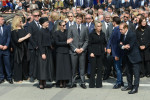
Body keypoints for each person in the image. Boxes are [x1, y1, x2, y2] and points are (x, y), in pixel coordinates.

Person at [68, 13, 89, 89]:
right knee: (73, 68)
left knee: (82, 67)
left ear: (82, 20)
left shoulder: (85, 28)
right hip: (74, 51)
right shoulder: (71, 27)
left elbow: (87, 40)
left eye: (80, 19)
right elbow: (69, 40)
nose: (79, 20)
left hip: (82, 51)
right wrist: (75, 49)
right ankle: (72, 82)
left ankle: (83, 82)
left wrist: (82, 49)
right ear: (75, 19)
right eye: (77, 19)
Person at [119, 23, 141, 94]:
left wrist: (123, 46)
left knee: (136, 73)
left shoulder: (131, 34)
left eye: (121, 29)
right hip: (127, 56)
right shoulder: (122, 34)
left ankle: (135, 88)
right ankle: (129, 85)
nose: (120, 31)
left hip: (134, 57)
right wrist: (123, 46)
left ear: (126, 28)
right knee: (128, 72)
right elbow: (120, 43)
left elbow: (130, 47)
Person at [35, 17, 54, 89]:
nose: (48, 23)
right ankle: (41, 82)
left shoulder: (48, 30)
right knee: (42, 67)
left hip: (48, 50)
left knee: (46, 67)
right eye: (46, 22)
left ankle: (45, 80)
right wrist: (42, 53)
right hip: (42, 50)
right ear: (43, 23)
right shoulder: (40, 31)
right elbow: (39, 43)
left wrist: (51, 45)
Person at [11, 16, 31, 83]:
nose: (21, 22)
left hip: (24, 48)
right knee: (18, 63)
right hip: (18, 49)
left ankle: (25, 76)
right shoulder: (14, 31)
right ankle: (18, 78)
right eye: (20, 21)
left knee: (25, 62)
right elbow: (17, 40)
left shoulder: (23, 29)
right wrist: (26, 37)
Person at [107, 16, 124, 89]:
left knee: (117, 68)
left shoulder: (117, 30)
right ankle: (121, 81)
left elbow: (118, 43)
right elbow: (110, 39)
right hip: (114, 51)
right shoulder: (115, 29)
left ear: (114, 22)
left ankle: (119, 82)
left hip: (117, 52)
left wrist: (117, 54)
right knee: (118, 67)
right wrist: (108, 47)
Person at [88, 21, 106, 88]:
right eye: (98, 26)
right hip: (93, 53)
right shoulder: (91, 34)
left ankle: (99, 84)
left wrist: (105, 48)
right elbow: (89, 44)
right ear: (95, 27)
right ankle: (92, 84)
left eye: (100, 26)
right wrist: (91, 52)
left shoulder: (103, 34)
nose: (99, 27)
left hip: (101, 53)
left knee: (99, 69)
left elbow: (104, 42)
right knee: (93, 69)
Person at [55, 21, 73, 88]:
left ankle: (65, 80)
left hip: (66, 51)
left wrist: (68, 42)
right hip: (59, 51)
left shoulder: (67, 31)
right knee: (60, 67)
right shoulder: (56, 33)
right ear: (60, 26)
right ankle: (60, 81)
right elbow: (57, 42)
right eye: (63, 25)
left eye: (65, 25)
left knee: (66, 67)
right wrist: (66, 42)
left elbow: (70, 39)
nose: (64, 26)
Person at [28, 10, 41, 82]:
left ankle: (38, 74)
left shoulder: (40, 24)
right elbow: (30, 36)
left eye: (38, 15)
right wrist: (35, 45)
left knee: (39, 61)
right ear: (32, 16)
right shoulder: (31, 25)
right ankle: (32, 75)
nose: (37, 17)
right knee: (32, 61)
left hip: (40, 46)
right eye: (35, 16)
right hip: (33, 47)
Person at [0, 15, 13, 84]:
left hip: (6, 49)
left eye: (3, 19)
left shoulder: (7, 27)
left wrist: (6, 45)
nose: (3, 21)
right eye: (1, 19)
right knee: (0, 65)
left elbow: (9, 37)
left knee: (7, 64)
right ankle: (1, 77)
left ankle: (9, 77)